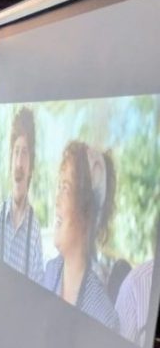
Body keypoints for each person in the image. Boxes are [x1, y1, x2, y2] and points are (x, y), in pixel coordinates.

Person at [42, 140, 119, 330]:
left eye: (66, 188)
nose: (57, 200)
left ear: (87, 212)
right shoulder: (50, 272)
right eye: (59, 187)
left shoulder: (103, 316)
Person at [0, 108, 45, 282]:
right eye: (16, 152)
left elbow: (37, 282)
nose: (19, 163)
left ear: (31, 167)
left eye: (24, 153)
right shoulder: (0, 216)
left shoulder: (34, 228)